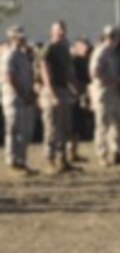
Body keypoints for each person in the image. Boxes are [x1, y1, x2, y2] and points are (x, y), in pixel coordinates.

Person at [38, 20, 76, 173]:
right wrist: (51, 92)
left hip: (63, 89)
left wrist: (73, 87)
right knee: (51, 127)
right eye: (58, 29)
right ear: (52, 31)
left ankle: (62, 158)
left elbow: (68, 71)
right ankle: (50, 159)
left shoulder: (64, 48)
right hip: (51, 90)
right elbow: (44, 69)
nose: (61, 32)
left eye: (63, 29)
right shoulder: (49, 48)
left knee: (64, 126)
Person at [2, 25, 38, 175]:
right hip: (14, 98)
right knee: (14, 130)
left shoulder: (23, 55)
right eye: (19, 36)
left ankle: (22, 160)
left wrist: (30, 93)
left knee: (26, 131)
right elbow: (9, 77)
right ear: (12, 38)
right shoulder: (9, 55)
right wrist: (23, 93)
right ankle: (13, 161)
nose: (22, 39)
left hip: (25, 97)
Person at [89, 27, 120, 167]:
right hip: (103, 92)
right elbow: (94, 72)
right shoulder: (101, 52)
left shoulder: (114, 53)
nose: (114, 39)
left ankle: (115, 151)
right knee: (102, 124)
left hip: (114, 92)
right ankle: (102, 154)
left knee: (119, 121)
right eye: (111, 37)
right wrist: (111, 80)